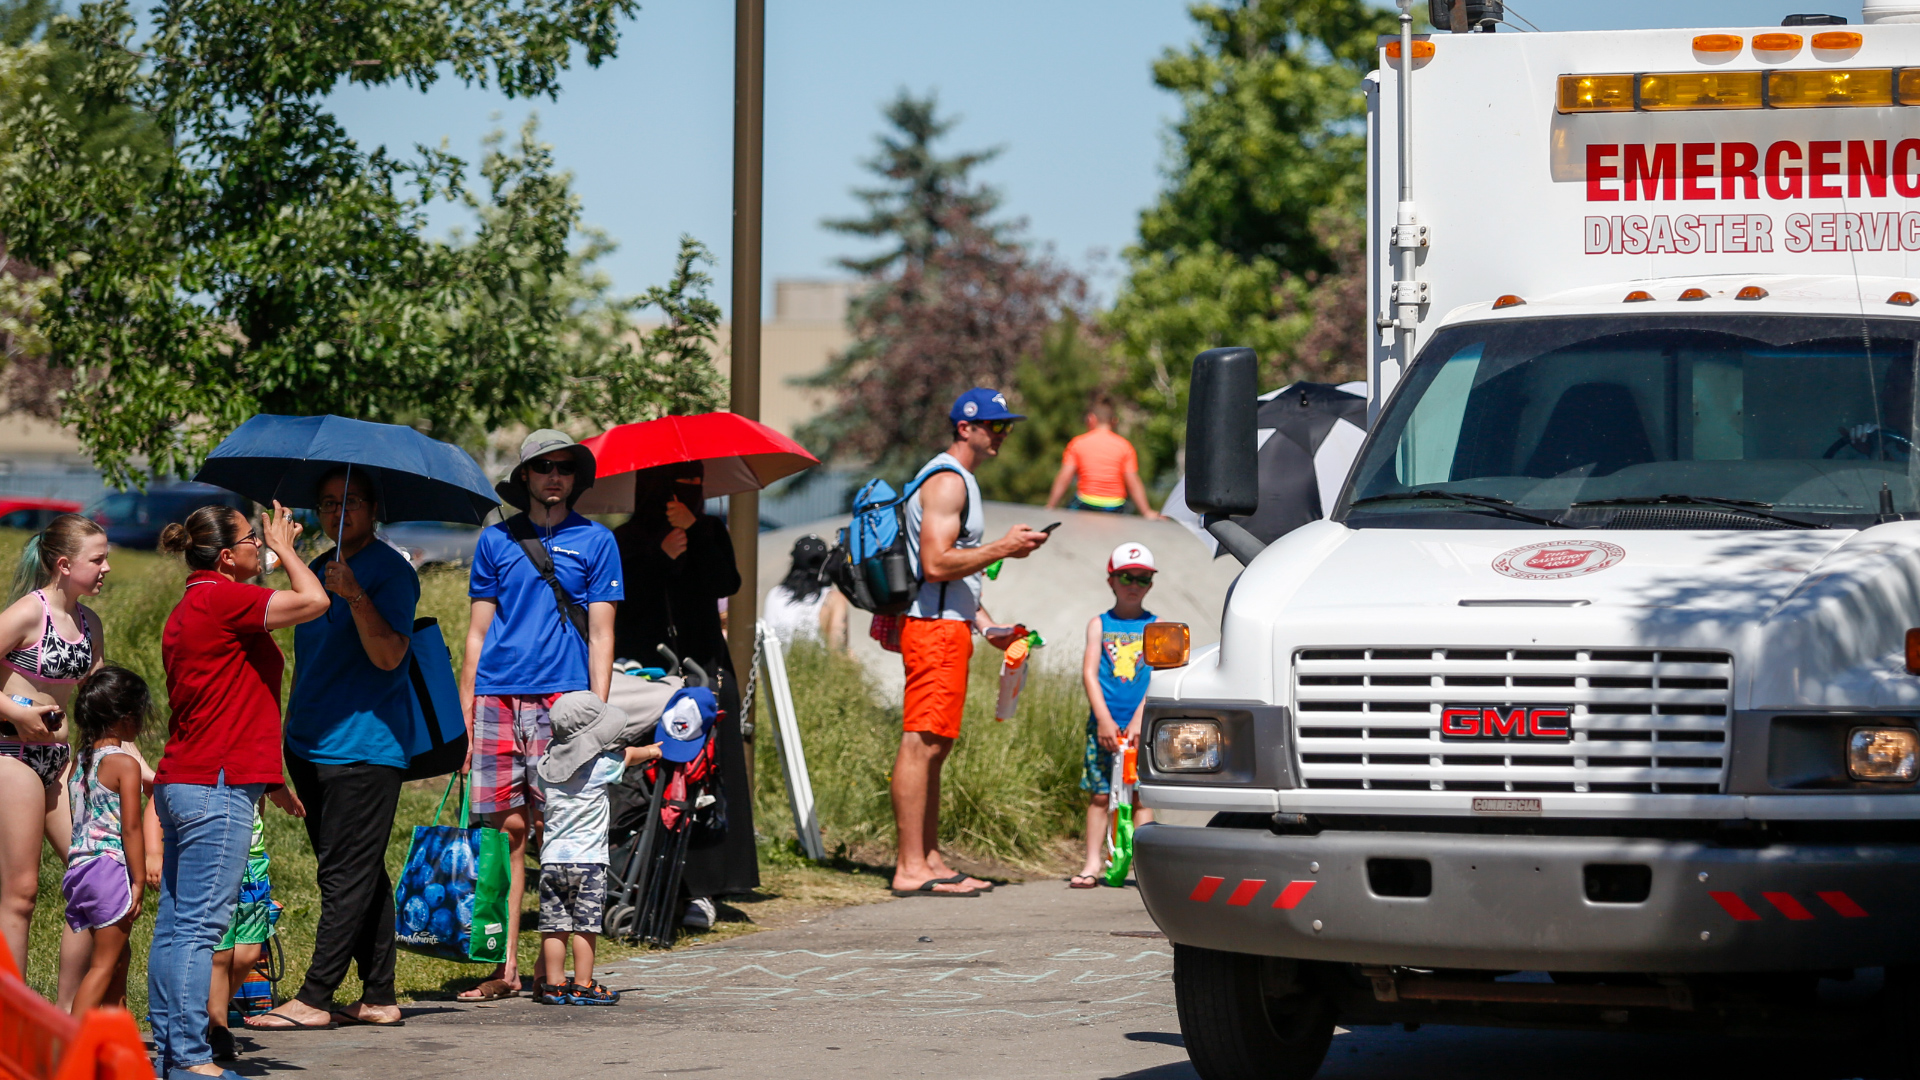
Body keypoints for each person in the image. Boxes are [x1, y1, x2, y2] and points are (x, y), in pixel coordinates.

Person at [150, 503, 329, 1080]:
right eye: (254, 538)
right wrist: (291, 552)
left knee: (178, 924)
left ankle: (171, 1047)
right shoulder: (222, 599)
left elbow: (231, 695)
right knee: (201, 927)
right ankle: (189, 1058)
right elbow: (315, 602)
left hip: (190, 778)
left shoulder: (195, 602)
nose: (264, 545)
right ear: (227, 554)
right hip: (215, 785)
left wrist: (270, 779)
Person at [250, 467, 417, 1031]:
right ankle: (378, 996)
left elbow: (391, 656)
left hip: (366, 748)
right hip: (310, 744)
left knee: (345, 874)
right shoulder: (316, 570)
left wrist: (356, 597)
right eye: (325, 504)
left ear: (374, 508)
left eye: (350, 503)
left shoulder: (391, 572)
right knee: (357, 870)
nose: (336, 514)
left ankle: (315, 998)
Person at [459, 430, 622, 1001]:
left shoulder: (598, 541)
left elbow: (602, 633)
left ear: (576, 478)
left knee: (562, 834)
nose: (555, 476)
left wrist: (597, 717)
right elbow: (477, 634)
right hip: (497, 698)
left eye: (565, 468)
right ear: (524, 476)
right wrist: (464, 716)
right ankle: (501, 967)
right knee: (506, 837)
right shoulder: (495, 541)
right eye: (543, 467)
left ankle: (551, 969)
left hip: (565, 705)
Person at [892, 388, 1050, 898]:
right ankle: (910, 866)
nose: (1003, 434)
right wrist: (1005, 546)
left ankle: (929, 858)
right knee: (920, 744)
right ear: (966, 427)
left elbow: (952, 578)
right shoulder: (945, 482)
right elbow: (936, 564)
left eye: (1007, 426)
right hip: (932, 631)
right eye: (995, 425)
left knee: (936, 746)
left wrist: (987, 626)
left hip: (949, 626)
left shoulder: (960, 481)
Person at [611, 461, 757, 928]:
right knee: (657, 777)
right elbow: (621, 597)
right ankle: (646, 879)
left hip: (705, 668)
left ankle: (710, 885)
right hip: (646, 675)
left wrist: (695, 535)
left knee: (712, 777)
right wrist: (660, 555)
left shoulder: (710, 527)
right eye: (674, 488)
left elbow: (726, 583)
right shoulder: (625, 537)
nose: (685, 495)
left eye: (694, 487)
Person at [0, 513, 109, 1004]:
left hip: (60, 762)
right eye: (98, 559)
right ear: (65, 565)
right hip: (13, 755)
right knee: (21, 893)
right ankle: (13, 1014)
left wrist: (133, 762)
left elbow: (99, 703)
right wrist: (12, 711)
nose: (107, 567)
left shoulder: (89, 623)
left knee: (96, 878)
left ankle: (67, 1013)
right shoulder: (28, 613)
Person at [530, 692, 666, 1005]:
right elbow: (630, 755)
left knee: (554, 928)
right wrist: (652, 751)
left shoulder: (546, 769)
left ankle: (553, 986)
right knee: (585, 927)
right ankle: (582, 984)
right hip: (588, 863)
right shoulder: (603, 766)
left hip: (552, 861)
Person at [1070, 543, 1160, 889]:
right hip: (1105, 724)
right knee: (1099, 794)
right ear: (1112, 580)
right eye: (1126, 577)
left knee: (1141, 795)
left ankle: (1144, 867)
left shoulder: (1158, 625)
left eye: (1143, 578)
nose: (1134, 584)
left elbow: (1158, 676)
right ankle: (1094, 862)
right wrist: (1104, 719)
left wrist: (1140, 719)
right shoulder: (1099, 624)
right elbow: (1090, 673)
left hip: (1144, 726)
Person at [62, 665, 149, 1015]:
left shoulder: (80, 762)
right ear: (126, 718)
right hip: (109, 869)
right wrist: (139, 879)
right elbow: (131, 829)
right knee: (101, 966)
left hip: (80, 870)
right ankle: (73, 1054)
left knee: (118, 960)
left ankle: (115, 1044)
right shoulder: (124, 764)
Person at [205, 802, 275, 1058]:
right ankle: (217, 1028)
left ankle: (207, 1017)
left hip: (254, 867)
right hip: (218, 860)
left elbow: (261, 803)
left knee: (249, 954)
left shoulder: (256, 769)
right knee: (220, 954)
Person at [1045, 395, 1164, 519]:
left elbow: (1065, 477)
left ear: (1091, 419)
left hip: (1086, 503)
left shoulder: (1078, 443)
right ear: (1114, 421)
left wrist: (1051, 505)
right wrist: (1146, 511)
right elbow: (1133, 481)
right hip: (1115, 506)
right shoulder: (1124, 446)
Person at [761, 535, 848, 651]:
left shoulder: (774, 594)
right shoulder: (832, 598)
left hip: (774, 664)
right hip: (812, 665)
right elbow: (837, 646)